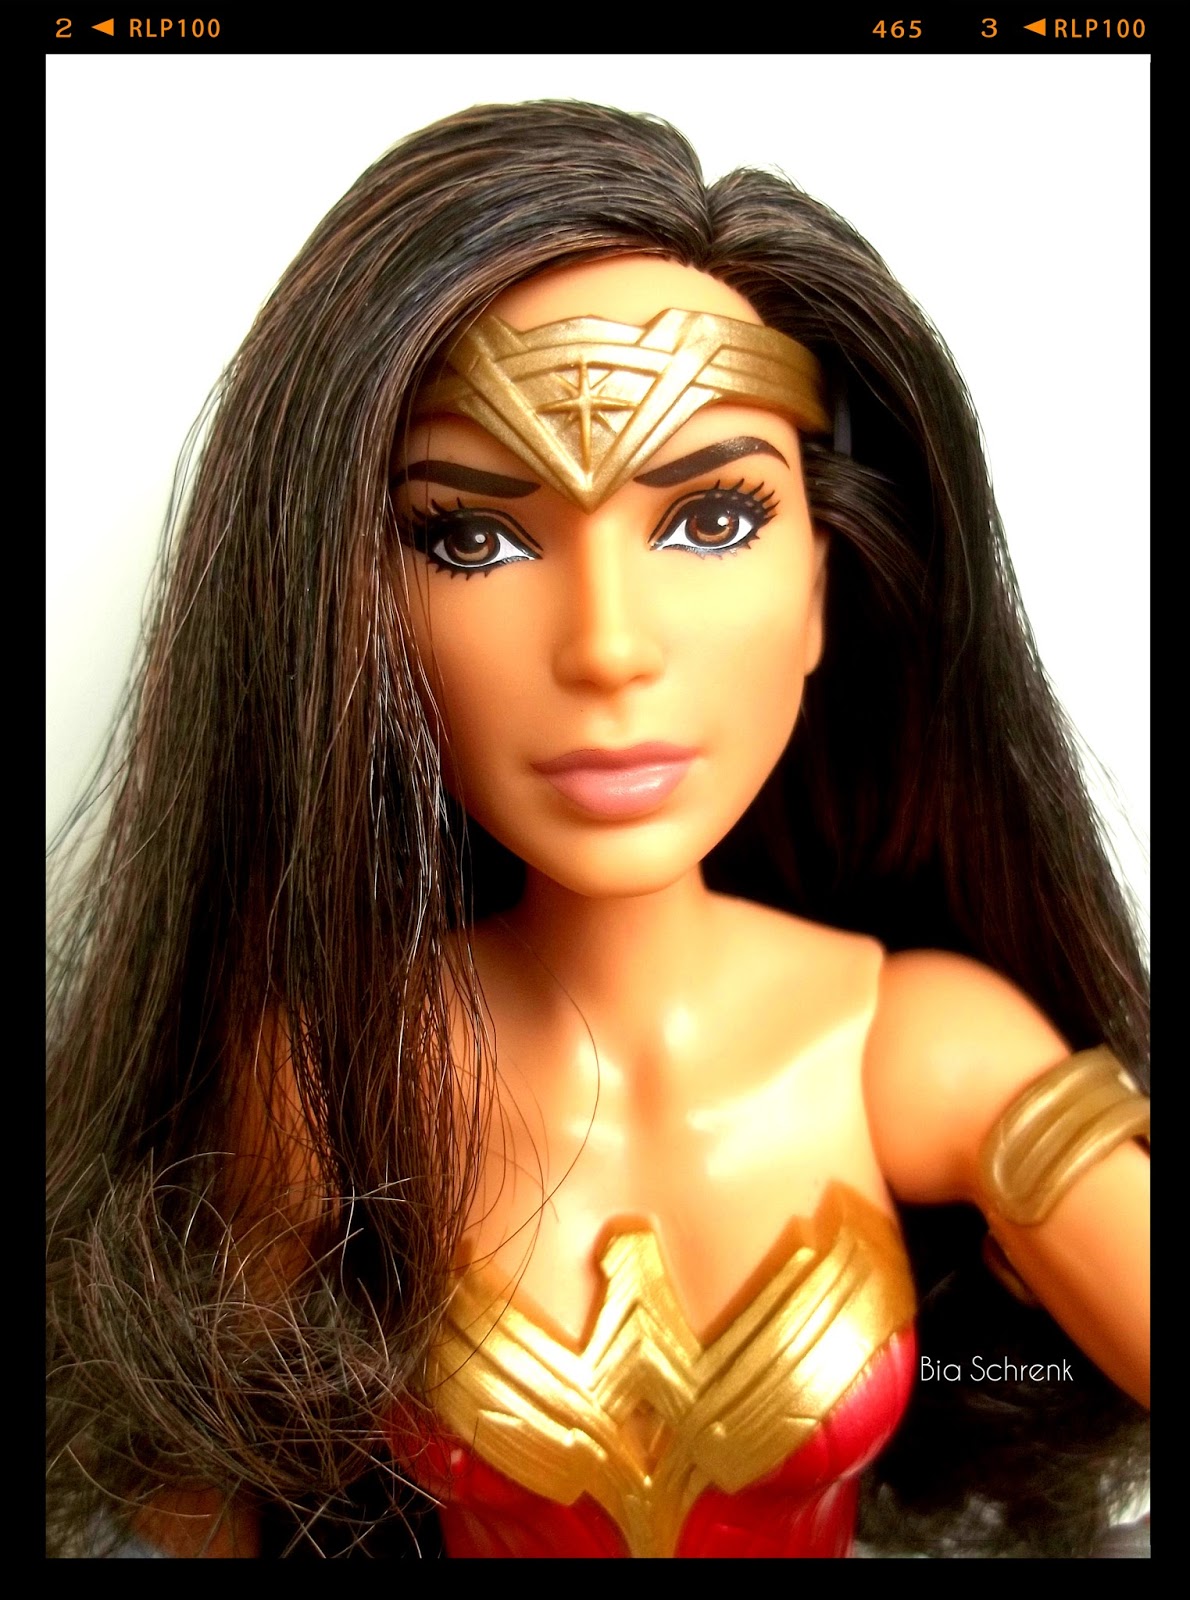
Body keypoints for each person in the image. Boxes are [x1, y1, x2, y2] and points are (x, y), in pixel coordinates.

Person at [46, 100, 1149, 1560]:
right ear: (349, 612)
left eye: (711, 519)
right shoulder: (327, 1082)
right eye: (471, 537)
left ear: (822, 587)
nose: (609, 646)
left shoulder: (920, 1050)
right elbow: (199, 1507)